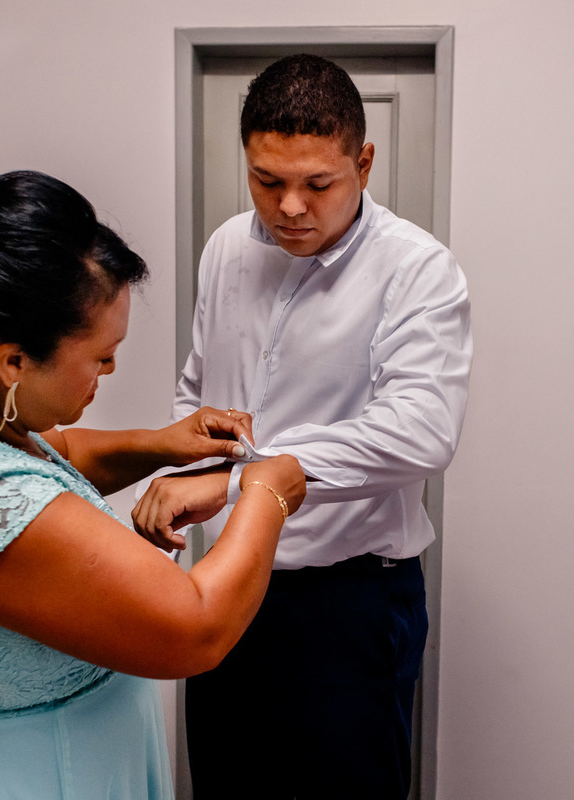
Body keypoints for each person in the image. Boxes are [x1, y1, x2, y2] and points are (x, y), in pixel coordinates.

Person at [0, 169, 305, 799]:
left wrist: (162, 444)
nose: (109, 369)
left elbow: (59, 455)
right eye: (100, 357)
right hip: (20, 776)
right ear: (13, 361)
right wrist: (268, 489)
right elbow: (199, 628)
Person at [134, 54, 473, 798]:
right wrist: (178, 476)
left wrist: (249, 480)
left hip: (348, 605)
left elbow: (421, 430)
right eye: (266, 181)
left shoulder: (416, 269)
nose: (289, 206)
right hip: (223, 588)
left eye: (317, 183)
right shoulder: (226, 247)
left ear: (364, 161)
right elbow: (199, 388)